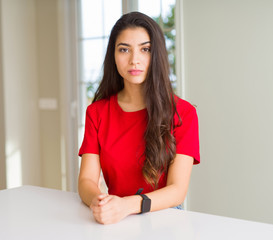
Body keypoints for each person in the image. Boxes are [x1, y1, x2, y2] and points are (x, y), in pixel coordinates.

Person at [78, 11, 200, 225]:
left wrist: (127, 205)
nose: (134, 60)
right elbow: (87, 180)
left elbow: (177, 191)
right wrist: (98, 202)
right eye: (124, 49)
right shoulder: (96, 113)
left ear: (157, 55)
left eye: (145, 49)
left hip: (165, 218)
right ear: (113, 56)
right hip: (114, 216)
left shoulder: (184, 113)